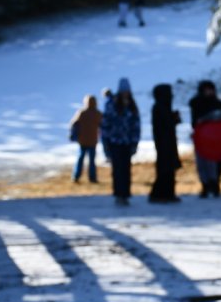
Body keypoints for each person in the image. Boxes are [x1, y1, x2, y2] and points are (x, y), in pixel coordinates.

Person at [189, 80, 221, 198]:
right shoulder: (196, 104)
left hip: (218, 141)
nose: (209, 92)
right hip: (203, 139)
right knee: (203, 163)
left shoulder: (219, 104)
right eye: (206, 90)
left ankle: (215, 184)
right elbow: (195, 122)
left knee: (218, 162)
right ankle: (205, 185)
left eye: (210, 89)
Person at [102, 78, 141, 206]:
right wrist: (106, 142)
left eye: (127, 91)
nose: (125, 93)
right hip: (114, 142)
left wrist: (135, 142)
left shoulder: (132, 105)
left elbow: (136, 125)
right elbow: (105, 124)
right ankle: (118, 194)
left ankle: (126, 193)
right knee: (117, 169)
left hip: (127, 142)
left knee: (126, 169)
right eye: (123, 91)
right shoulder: (111, 104)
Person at [148, 84, 182, 203]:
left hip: (168, 142)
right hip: (163, 144)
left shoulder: (163, 106)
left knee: (169, 169)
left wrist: (174, 118)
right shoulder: (159, 107)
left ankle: (168, 194)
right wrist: (173, 119)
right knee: (165, 169)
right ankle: (159, 194)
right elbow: (166, 124)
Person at [69, 95, 102, 183]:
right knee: (91, 160)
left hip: (82, 140)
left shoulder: (82, 113)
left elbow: (73, 123)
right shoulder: (97, 113)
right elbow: (104, 125)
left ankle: (76, 176)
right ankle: (92, 178)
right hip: (92, 141)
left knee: (80, 159)